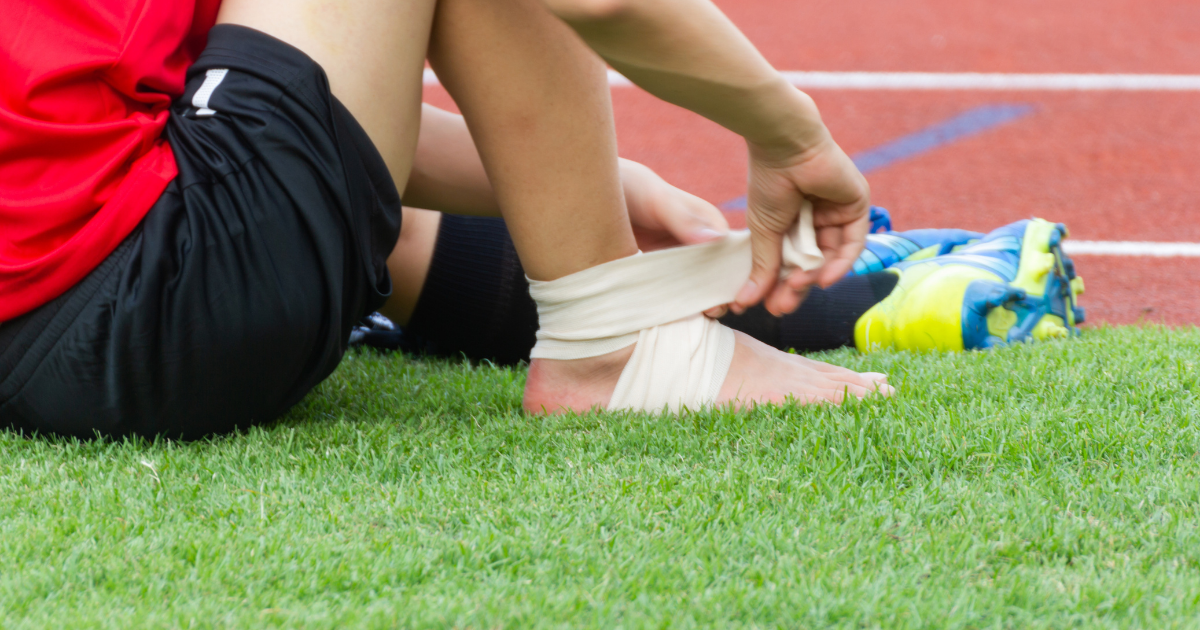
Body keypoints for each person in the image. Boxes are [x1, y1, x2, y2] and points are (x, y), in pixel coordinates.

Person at [1, 0, 892, 439]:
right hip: (145, 307)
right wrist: (791, 132)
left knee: (400, 237)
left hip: (29, 328)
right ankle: (612, 347)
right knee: (326, 230)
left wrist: (595, 181)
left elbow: (276, 101)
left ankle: (868, 293)